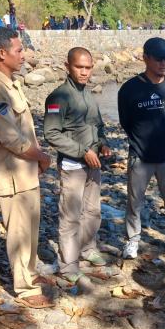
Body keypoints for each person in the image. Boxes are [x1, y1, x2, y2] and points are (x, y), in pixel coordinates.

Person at [0, 27, 54, 309]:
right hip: (11, 173)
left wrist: (36, 158)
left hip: (26, 171)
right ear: (2, 53)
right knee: (18, 230)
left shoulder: (12, 83)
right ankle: (23, 288)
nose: (24, 55)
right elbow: (11, 138)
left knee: (31, 225)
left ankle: (31, 274)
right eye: (19, 50)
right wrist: (42, 157)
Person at [44, 47, 112, 288]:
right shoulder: (58, 97)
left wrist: (103, 144)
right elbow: (51, 133)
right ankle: (68, 265)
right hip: (74, 165)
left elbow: (98, 126)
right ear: (67, 66)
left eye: (88, 67)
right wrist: (83, 152)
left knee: (93, 211)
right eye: (79, 67)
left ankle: (88, 248)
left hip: (94, 164)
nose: (84, 72)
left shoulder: (89, 94)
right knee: (70, 217)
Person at [118, 37, 165, 260]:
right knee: (134, 202)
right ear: (145, 57)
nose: (163, 63)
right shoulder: (129, 89)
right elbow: (125, 121)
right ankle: (133, 239)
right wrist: (140, 141)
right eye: (158, 58)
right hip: (140, 156)